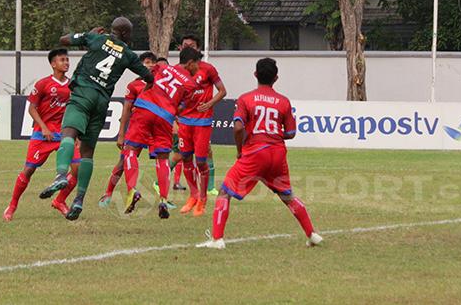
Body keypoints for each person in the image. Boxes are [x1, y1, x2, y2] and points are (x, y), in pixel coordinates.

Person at [197, 58, 322, 249]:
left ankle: (217, 239)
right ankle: (312, 234)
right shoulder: (284, 101)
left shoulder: (246, 98)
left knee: (224, 192)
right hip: (277, 154)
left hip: (255, 152)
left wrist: (240, 150)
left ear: (255, 75)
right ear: (276, 78)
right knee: (287, 195)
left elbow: (238, 127)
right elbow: (290, 133)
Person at [38, 17, 153, 221]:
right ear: (125, 34)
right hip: (101, 102)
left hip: (83, 93)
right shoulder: (128, 54)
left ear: (113, 30)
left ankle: (61, 175)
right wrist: (144, 91)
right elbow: (149, 77)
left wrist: (88, 34)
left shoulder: (97, 38)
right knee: (88, 153)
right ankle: (79, 199)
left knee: (68, 133)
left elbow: (63, 40)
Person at [120, 47, 201, 218]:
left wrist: (144, 97)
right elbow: (180, 107)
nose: (198, 69)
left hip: (145, 108)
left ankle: (131, 190)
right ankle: (163, 199)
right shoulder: (192, 84)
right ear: (190, 63)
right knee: (163, 157)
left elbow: (148, 80)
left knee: (131, 150)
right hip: (165, 116)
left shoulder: (162, 67)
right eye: (197, 65)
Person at [3, 49, 81, 221]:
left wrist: (77, 135)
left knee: (78, 170)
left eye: (67, 60)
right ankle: (12, 205)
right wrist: (44, 127)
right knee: (29, 170)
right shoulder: (43, 84)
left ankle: (59, 201)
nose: (66, 63)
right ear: (53, 64)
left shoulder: (73, 85)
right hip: (42, 134)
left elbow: (74, 110)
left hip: (65, 134)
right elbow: (31, 108)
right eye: (62, 60)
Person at [98, 52, 159, 208]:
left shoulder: (162, 84)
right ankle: (108, 194)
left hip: (157, 130)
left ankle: (164, 200)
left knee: (163, 161)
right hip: (138, 129)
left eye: (153, 62)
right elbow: (126, 110)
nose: (151, 65)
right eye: (147, 62)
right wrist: (121, 134)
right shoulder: (134, 85)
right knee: (123, 161)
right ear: (139, 66)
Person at [177, 35, 227, 216]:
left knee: (201, 161)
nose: (187, 47)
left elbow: (222, 91)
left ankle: (203, 199)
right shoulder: (178, 71)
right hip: (184, 121)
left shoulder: (207, 69)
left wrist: (210, 103)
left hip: (203, 122)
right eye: (184, 45)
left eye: (191, 45)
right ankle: (193, 195)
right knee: (185, 159)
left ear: (197, 48)